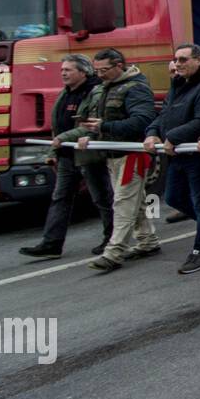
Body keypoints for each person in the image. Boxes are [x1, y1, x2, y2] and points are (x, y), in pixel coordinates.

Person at [53, 49, 159, 273]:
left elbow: (142, 121)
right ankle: (147, 240)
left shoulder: (136, 88)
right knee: (134, 201)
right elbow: (93, 123)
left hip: (133, 155)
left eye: (104, 70)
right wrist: (88, 135)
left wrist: (102, 128)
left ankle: (114, 252)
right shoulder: (100, 89)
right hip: (112, 155)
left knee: (122, 203)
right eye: (97, 70)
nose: (99, 74)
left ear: (119, 65)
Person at [144, 43, 200, 274]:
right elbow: (163, 115)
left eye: (183, 60)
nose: (177, 64)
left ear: (199, 60)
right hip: (178, 155)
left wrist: (172, 136)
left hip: (199, 156)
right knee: (174, 198)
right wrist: (152, 133)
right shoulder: (179, 86)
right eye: (176, 60)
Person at [20, 55, 114, 259]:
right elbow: (58, 125)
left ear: (83, 72)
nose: (63, 73)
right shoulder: (65, 93)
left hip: (88, 155)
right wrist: (54, 152)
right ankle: (51, 244)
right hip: (66, 157)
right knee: (60, 198)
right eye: (62, 69)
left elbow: (88, 126)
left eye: (68, 70)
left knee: (102, 198)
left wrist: (62, 138)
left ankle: (112, 239)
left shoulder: (95, 92)